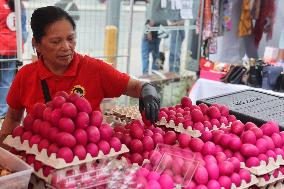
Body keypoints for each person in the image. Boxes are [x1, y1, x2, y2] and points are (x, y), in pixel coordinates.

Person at [0, 6, 160, 145]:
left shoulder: (94, 69)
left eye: (70, 39)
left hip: (88, 164)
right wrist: (4, 151)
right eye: (56, 42)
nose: (66, 47)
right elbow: (13, 118)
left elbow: (135, 86)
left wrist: (148, 91)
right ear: (36, 44)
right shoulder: (26, 75)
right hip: (38, 164)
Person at [0, 0, 27, 119]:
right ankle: (2, 111)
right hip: (13, 47)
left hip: (1, 44)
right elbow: (24, 32)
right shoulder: (19, 5)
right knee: (7, 81)